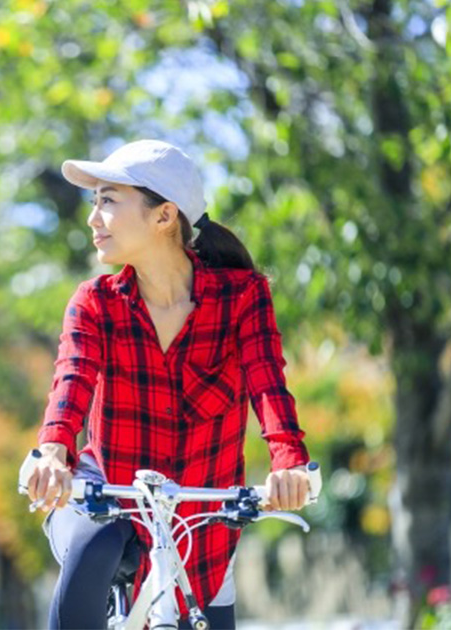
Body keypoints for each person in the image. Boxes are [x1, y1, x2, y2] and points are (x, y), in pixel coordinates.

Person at [24, 139, 312, 629]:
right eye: (95, 202)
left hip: (203, 518)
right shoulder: (96, 303)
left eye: (109, 201)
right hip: (107, 488)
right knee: (97, 540)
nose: (94, 218)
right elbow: (71, 384)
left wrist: (290, 462)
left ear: (163, 217)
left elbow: (269, 386)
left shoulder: (243, 298)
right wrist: (53, 451)